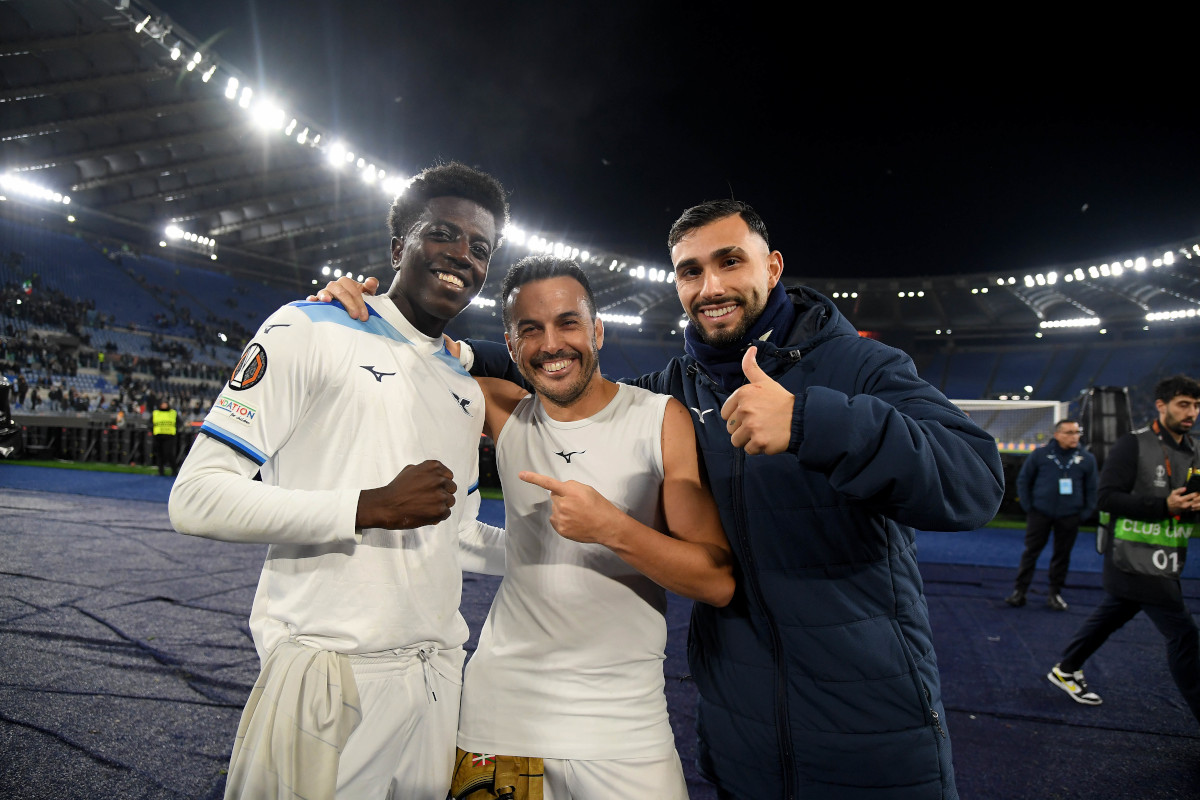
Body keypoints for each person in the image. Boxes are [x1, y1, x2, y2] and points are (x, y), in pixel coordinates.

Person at [320, 199, 1005, 798]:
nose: (710, 286)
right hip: (742, 730)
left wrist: (807, 422)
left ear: (772, 268)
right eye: (690, 271)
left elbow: (972, 483)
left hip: (872, 725)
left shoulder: (858, 365)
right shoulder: (669, 393)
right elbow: (559, 377)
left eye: (730, 262)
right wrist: (381, 322)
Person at [168, 162, 511, 800]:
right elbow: (195, 497)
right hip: (329, 674)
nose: (461, 255)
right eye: (442, 233)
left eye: (480, 247)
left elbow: (457, 536)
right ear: (398, 245)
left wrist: (549, 547)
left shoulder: (463, 384)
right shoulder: (309, 326)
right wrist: (366, 507)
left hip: (436, 680)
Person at [448, 254, 734, 799]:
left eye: (568, 323)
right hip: (501, 715)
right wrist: (360, 302)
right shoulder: (497, 408)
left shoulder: (659, 417)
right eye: (530, 330)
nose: (551, 344)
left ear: (597, 331)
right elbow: (410, 350)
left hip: (624, 727)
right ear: (511, 347)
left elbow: (716, 580)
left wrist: (612, 528)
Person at [1047, 374, 1200, 720]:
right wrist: (1165, 506)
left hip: (1166, 557)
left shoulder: (1195, 449)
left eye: (1196, 405)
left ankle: (1067, 669)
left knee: (1115, 612)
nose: (1192, 411)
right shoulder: (1133, 444)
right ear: (1161, 406)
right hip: (1131, 557)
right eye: (1184, 404)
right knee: (1185, 634)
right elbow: (1107, 498)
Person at [1005, 419, 1098, 610]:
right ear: (1057, 435)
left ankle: (1055, 593)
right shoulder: (1040, 454)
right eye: (1069, 432)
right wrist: (1029, 506)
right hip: (1040, 512)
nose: (1074, 436)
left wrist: (1084, 513)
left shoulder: (1087, 458)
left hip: (1070, 515)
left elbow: (1092, 488)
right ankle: (1019, 592)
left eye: (1076, 432)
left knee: (1062, 555)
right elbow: (1023, 480)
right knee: (1031, 552)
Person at [151, 398, 178, 476]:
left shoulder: (173, 413)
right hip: (158, 436)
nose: (164, 405)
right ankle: (161, 471)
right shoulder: (155, 413)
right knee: (160, 454)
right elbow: (150, 423)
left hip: (169, 436)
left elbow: (178, 423)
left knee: (169, 453)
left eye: (165, 403)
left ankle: (174, 471)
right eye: (162, 404)